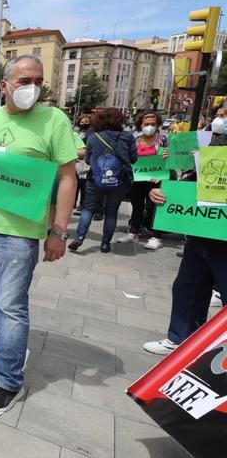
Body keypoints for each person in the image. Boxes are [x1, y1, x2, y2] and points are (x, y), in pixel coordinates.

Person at [0, 55, 77, 412]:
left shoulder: (54, 120)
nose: (33, 88)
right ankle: (0, 341)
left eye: (38, 81)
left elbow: (68, 177)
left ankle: (8, 380)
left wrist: (59, 231)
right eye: (25, 81)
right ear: (5, 85)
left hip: (21, 232)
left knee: (12, 304)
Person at [143, 125, 227, 355]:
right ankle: (180, 340)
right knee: (188, 289)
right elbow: (185, 189)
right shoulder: (213, 143)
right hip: (201, 236)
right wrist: (160, 196)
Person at [68, 108, 138, 253]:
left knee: (88, 208)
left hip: (96, 178)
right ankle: (105, 244)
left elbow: (87, 159)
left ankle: (80, 237)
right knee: (111, 212)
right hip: (119, 180)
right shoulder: (128, 137)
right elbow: (133, 159)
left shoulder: (94, 137)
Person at [116, 112, 168, 250]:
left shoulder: (163, 140)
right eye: (146, 124)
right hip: (138, 180)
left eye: (153, 124)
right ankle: (133, 232)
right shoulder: (134, 140)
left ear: (158, 125)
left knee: (154, 207)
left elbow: (173, 160)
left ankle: (157, 236)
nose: (149, 126)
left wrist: (168, 155)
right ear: (140, 124)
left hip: (157, 181)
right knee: (137, 206)